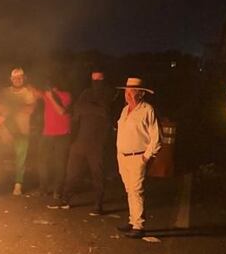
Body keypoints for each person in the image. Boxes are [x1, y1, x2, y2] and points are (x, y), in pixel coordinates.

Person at [49, 71, 113, 215]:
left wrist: (87, 108)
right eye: (93, 79)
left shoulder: (109, 93)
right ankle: (65, 199)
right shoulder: (86, 92)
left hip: (97, 142)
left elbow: (105, 112)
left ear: (104, 79)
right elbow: (77, 110)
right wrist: (92, 109)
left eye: (99, 79)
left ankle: (98, 204)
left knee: (97, 174)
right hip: (80, 140)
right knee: (72, 172)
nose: (96, 82)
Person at [114, 77, 161, 238]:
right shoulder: (124, 110)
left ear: (140, 94)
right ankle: (132, 220)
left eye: (131, 92)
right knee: (129, 190)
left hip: (137, 156)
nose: (127, 95)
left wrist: (146, 157)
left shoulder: (147, 110)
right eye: (126, 92)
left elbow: (156, 137)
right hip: (123, 156)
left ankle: (139, 226)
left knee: (136, 190)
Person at [0, 67, 38, 196]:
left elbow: (30, 109)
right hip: (5, 132)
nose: (17, 80)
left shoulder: (28, 92)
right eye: (15, 78)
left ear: (24, 78)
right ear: (11, 79)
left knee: (20, 159)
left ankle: (18, 185)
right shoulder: (5, 92)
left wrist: (12, 107)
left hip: (22, 131)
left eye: (20, 77)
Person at [35, 77, 72, 200]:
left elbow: (61, 111)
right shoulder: (47, 95)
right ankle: (43, 188)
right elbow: (36, 94)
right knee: (42, 161)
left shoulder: (66, 96)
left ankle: (57, 190)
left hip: (62, 135)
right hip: (48, 134)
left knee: (60, 163)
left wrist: (51, 97)